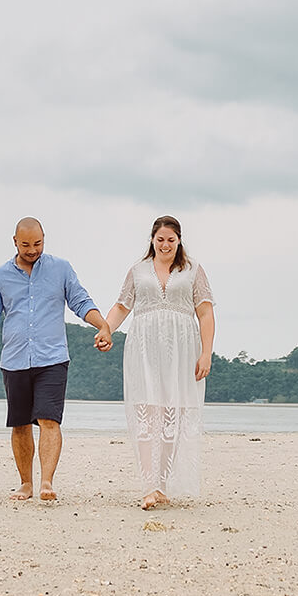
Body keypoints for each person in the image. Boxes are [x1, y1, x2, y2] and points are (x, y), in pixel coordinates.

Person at [0, 217, 109, 504]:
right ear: (15, 242)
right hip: (15, 359)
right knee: (20, 424)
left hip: (52, 358)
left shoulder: (61, 269)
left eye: (38, 243)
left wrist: (103, 326)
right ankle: (25, 483)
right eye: (26, 245)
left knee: (48, 418)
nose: (32, 250)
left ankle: (46, 481)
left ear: (44, 238)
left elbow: (80, 301)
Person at [95, 215, 214, 508]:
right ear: (152, 239)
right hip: (144, 349)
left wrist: (206, 352)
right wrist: (106, 329)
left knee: (174, 415)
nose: (165, 245)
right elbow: (123, 306)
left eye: (171, 240)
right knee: (148, 415)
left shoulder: (193, 269)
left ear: (179, 240)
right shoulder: (138, 270)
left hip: (182, 350)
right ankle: (149, 485)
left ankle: (162, 483)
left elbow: (206, 312)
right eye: (160, 240)